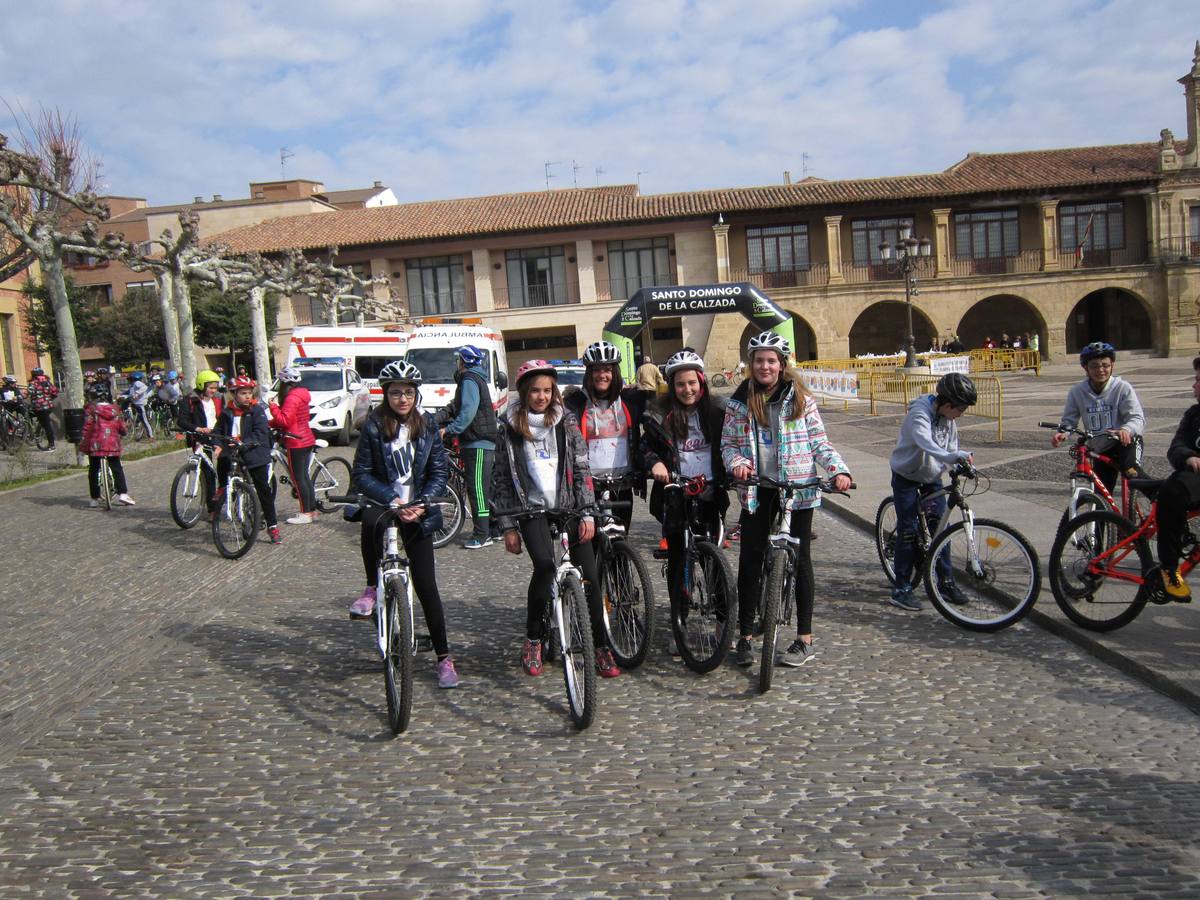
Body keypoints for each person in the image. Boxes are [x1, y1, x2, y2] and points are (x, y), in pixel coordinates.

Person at [721, 332, 852, 668]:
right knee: (751, 558)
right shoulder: (738, 401)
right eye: (759, 361)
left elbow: (820, 443)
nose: (765, 366)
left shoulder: (802, 401)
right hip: (757, 487)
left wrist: (839, 471)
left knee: (802, 559)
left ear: (781, 365)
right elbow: (729, 445)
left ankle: (803, 639)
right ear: (750, 365)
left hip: (798, 490)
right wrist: (737, 464)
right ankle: (746, 636)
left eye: (771, 360)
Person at [492, 359, 621, 679]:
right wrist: (508, 525)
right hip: (530, 509)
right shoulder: (508, 427)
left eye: (547, 390)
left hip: (570, 507)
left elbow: (581, 469)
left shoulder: (566, 421)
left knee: (589, 575)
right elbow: (501, 477)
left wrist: (588, 512)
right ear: (524, 392)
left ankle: (601, 646)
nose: (541, 396)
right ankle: (534, 638)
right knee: (545, 567)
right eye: (535, 391)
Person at [348, 360, 459, 688]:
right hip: (385, 505)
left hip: (419, 511)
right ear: (386, 395)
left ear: (416, 394)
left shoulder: (425, 426)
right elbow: (362, 474)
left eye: (408, 393)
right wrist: (392, 500)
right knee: (370, 521)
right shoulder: (372, 425)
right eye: (396, 393)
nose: (402, 399)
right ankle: (371, 588)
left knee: (427, 587)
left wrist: (423, 503)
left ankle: (444, 658)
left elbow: (440, 472)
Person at [641, 349, 728, 653]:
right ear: (672, 386)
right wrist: (655, 464)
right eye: (680, 384)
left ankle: (722, 620)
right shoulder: (658, 415)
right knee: (679, 561)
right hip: (676, 494)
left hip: (710, 492)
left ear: (701, 382)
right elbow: (646, 447)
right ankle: (679, 624)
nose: (687, 389)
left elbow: (733, 443)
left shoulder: (717, 412)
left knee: (714, 562)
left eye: (692, 383)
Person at [887, 372, 978, 611]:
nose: (961, 414)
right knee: (908, 530)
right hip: (906, 475)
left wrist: (960, 462)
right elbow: (924, 441)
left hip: (931, 476)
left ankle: (946, 582)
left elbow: (952, 447)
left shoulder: (948, 418)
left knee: (941, 528)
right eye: (960, 410)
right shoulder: (919, 413)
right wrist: (950, 456)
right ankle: (902, 587)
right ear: (947, 405)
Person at [564, 340, 647, 532]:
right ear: (589, 373)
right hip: (588, 485)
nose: (602, 375)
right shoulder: (575, 403)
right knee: (592, 546)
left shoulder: (630, 401)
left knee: (620, 542)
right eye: (596, 370)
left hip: (621, 483)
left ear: (615, 372)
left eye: (607, 370)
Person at [1050, 341, 1145, 493]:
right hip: (1100, 447)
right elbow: (1069, 420)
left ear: (1112, 365)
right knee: (1101, 492)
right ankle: (1103, 516)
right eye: (1094, 366)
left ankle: (1158, 500)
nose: (1100, 370)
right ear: (1085, 368)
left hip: (1126, 443)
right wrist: (1063, 433)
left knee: (1132, 473)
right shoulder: (1077, 392)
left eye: (1105, 365)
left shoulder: (1123, 388)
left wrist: (1126, 429)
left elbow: (1137, 417)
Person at [437, 345, 500, 549]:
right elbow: (456, 406)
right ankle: (495, 528)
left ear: (462, 362)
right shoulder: (475, 378)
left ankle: (482, 534)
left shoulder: (470, 379)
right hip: (478, 441)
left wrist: (450, 430)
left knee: (477, 489)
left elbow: (467, 412)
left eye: (458, 360)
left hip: (477, 442)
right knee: (485, 487)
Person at [214, 375, 281, 544]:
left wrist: (244, 442)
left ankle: (272, 526)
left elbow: (260, 432)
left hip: (254, 453)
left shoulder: (256, 410)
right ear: (234, 394)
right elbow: (218, 431)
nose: (247, 396)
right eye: (243, 393)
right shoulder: (227, 412)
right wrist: (217, 444)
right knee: (223, 463)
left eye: (250, 393)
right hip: (234, 453)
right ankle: (224, 491)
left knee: (263, 490)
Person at [1158, 357, 1200, 600]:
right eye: (1195, 380)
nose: (1194, 386)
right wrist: (1188, 457)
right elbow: (1177, 446)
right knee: (1171, 494)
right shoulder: (1194, 414)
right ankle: (1169, 567)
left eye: (1198, 381)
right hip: (1193, 478)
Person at [268, 366, 319, 526]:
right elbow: (291, 418)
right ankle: (312, 510)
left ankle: (305, 513)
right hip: (306, 437)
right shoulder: (301, 394)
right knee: (304, 477)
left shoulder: (291, 398)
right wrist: (269, 422)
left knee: (298, 479)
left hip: (295, 440)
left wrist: (273, 408)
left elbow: (285, 421)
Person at [79, 379, 134, 507]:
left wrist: (83, 443)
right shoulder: (115, 410)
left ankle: (94, 499)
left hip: (95, 445)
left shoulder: (91, 410)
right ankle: (123, 494)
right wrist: (124, 432)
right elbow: (122, 427)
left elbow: (87, 427)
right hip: (112, 444)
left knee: (93, 470)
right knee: (116, 468)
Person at [177, 369, 225, 514]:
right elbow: (182, 420)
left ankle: (227, 491)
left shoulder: (218, 398)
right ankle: (212, 508)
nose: (213, 391)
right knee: (208, 473)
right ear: (202, 386)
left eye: (215, 388)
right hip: (200, 438)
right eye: (211, 388)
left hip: (218, 436)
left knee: (225, 466)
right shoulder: (190, 400)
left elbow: (223, 418)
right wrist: (198, 428)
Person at [26, 367, 58, 451]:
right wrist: (49, 399)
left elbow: (28, 393)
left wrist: (20, 395)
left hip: (39, 407)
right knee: (45, 423)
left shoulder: (33, 383)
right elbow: (55, 392)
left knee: (46, 425)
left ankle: (51, 445)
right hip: (49, 407)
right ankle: (37, 431)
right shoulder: (47, 382)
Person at [125, 371, 153, 439]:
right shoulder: (132, 385)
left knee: (144, 420)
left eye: (130, 379)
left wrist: (137, 393)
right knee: (139, 419)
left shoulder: (137, 383)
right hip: (135, 404)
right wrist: (122, 395)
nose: (128, 381)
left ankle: (151, 436)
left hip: (140, 404)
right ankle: (138, 431)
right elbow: (129, 393)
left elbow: (145, 388)